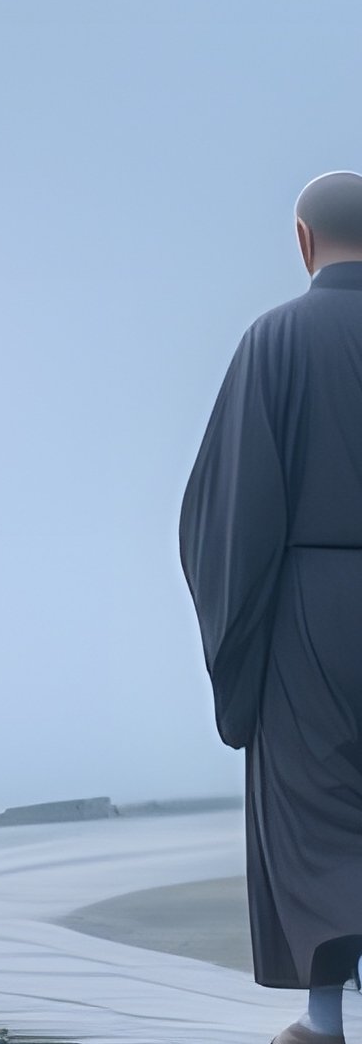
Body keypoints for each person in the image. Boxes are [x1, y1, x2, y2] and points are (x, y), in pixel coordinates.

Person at [181, 171, 362, 1042]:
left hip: (310, 612)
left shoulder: (276, 340)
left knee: (316, 812)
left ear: (302, 240)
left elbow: (231, 509)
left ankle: (323, 1019)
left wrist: (241, 637)